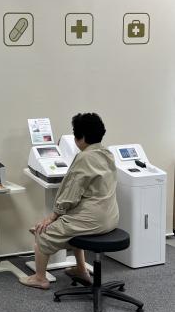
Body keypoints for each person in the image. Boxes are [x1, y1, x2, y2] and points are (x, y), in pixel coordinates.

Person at [20, 113, 119, 290]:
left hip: (92, 221)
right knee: (72, 220)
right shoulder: (107, 154)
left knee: (42, 232)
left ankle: (40, 278)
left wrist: (52, 217)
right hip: (110, 218)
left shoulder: (84, 158)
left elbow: (71, 193)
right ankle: (81, 270)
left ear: (81, 137)